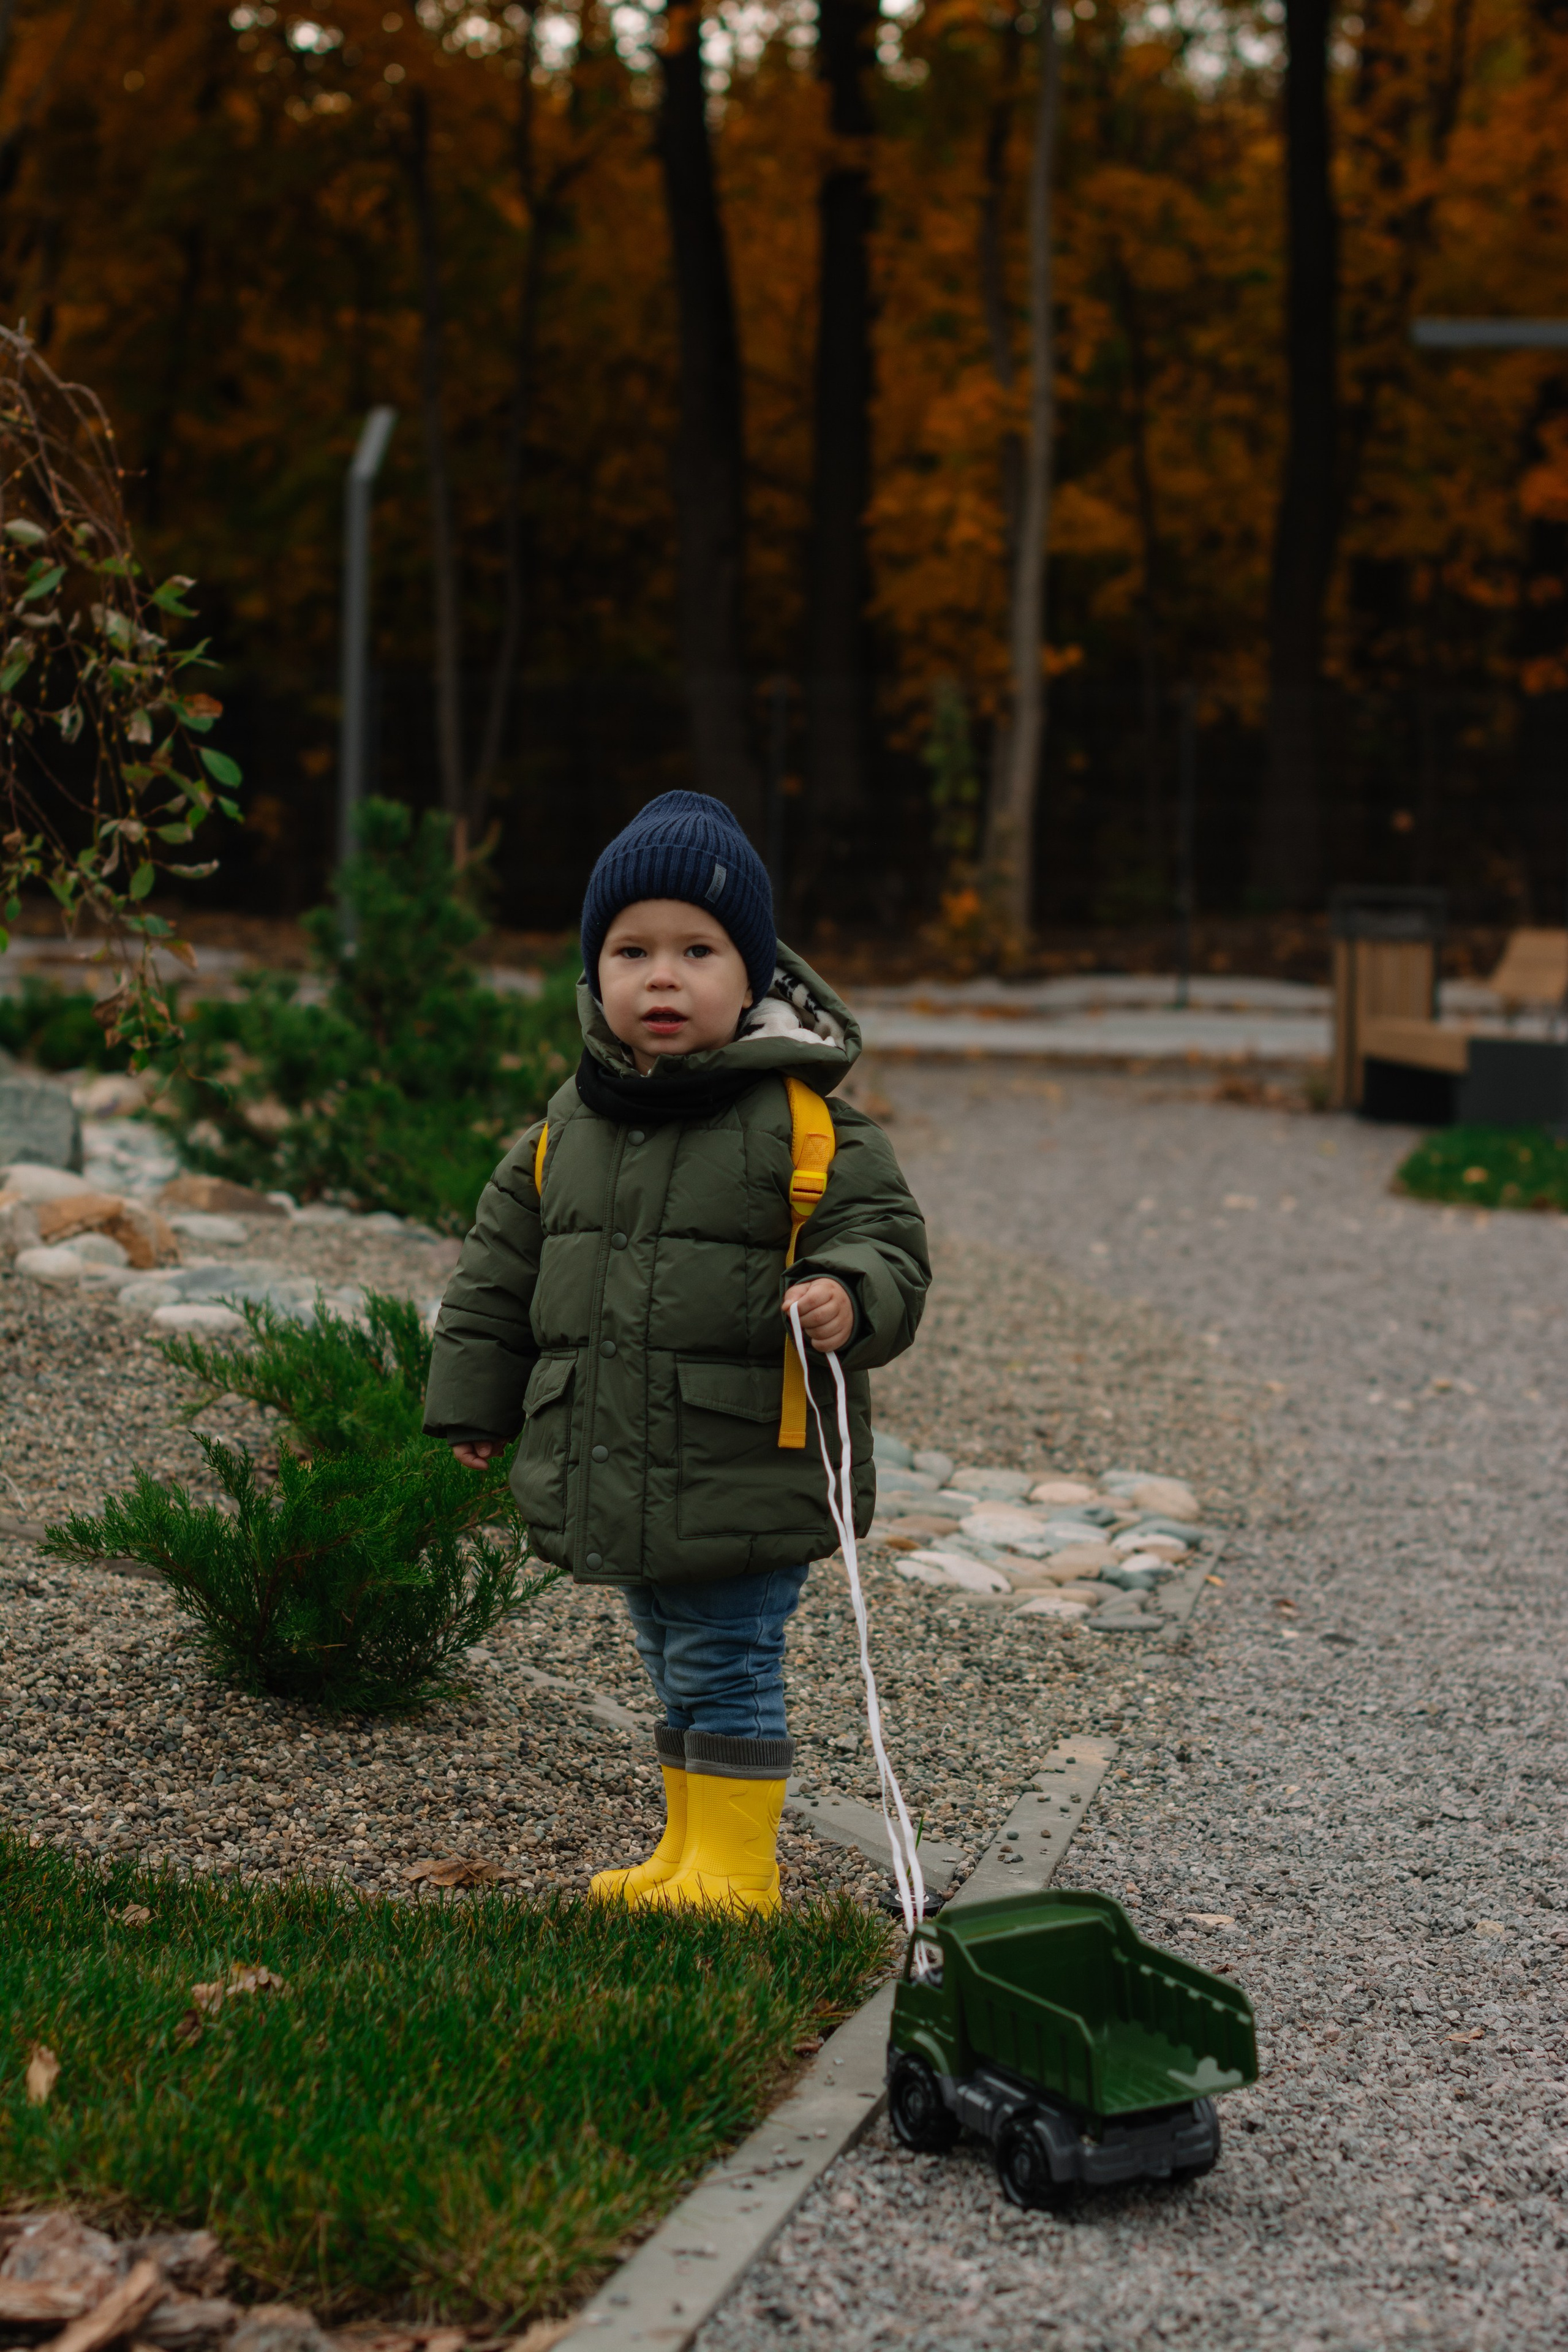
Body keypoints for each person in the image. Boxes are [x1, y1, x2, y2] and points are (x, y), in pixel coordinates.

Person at [423, 790, 929, 1913]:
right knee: (672, 1656)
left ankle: (740, 1875)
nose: (663, 977)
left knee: (729, 1660)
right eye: (632, 950)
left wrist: (847, 1294)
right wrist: (476, 1404)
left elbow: (885, 1241)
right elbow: (496, 1277)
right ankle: (689, 1851)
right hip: (626, 1456)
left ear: (753, 977)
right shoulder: (568, 1128)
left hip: (745, 1450)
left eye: (698, 951)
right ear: (594, 973)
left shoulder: (806, 1124)